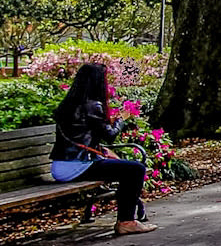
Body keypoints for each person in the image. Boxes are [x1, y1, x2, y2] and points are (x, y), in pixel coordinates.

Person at [51, 63, 157, 236]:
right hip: (78, 165)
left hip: (61, 165)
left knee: (126, 168)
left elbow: (84, 135)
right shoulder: (92, 106)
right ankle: (126, 221)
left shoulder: (68, 104)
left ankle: (127, 219)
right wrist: (121, 119)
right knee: (135, 169)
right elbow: (110, 135)